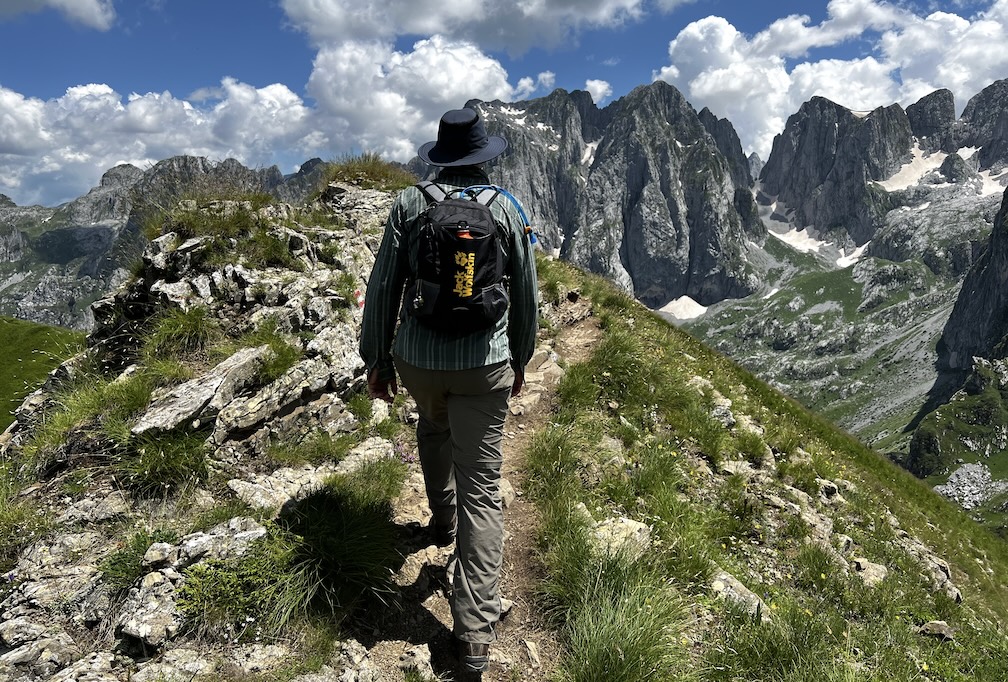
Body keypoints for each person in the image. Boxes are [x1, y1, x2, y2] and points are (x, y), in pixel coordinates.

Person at [359, 107, 539, 674]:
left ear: (440, 154)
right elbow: (528, 295)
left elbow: (384, 285)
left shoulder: (410, 205)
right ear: (484, 158)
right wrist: (521, 357)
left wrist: (378, 361)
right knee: (483, 488)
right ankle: (474, 633)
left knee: (431, 424)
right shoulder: (506, 208)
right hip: (484, 364)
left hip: (417, 359)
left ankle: (441, 518)